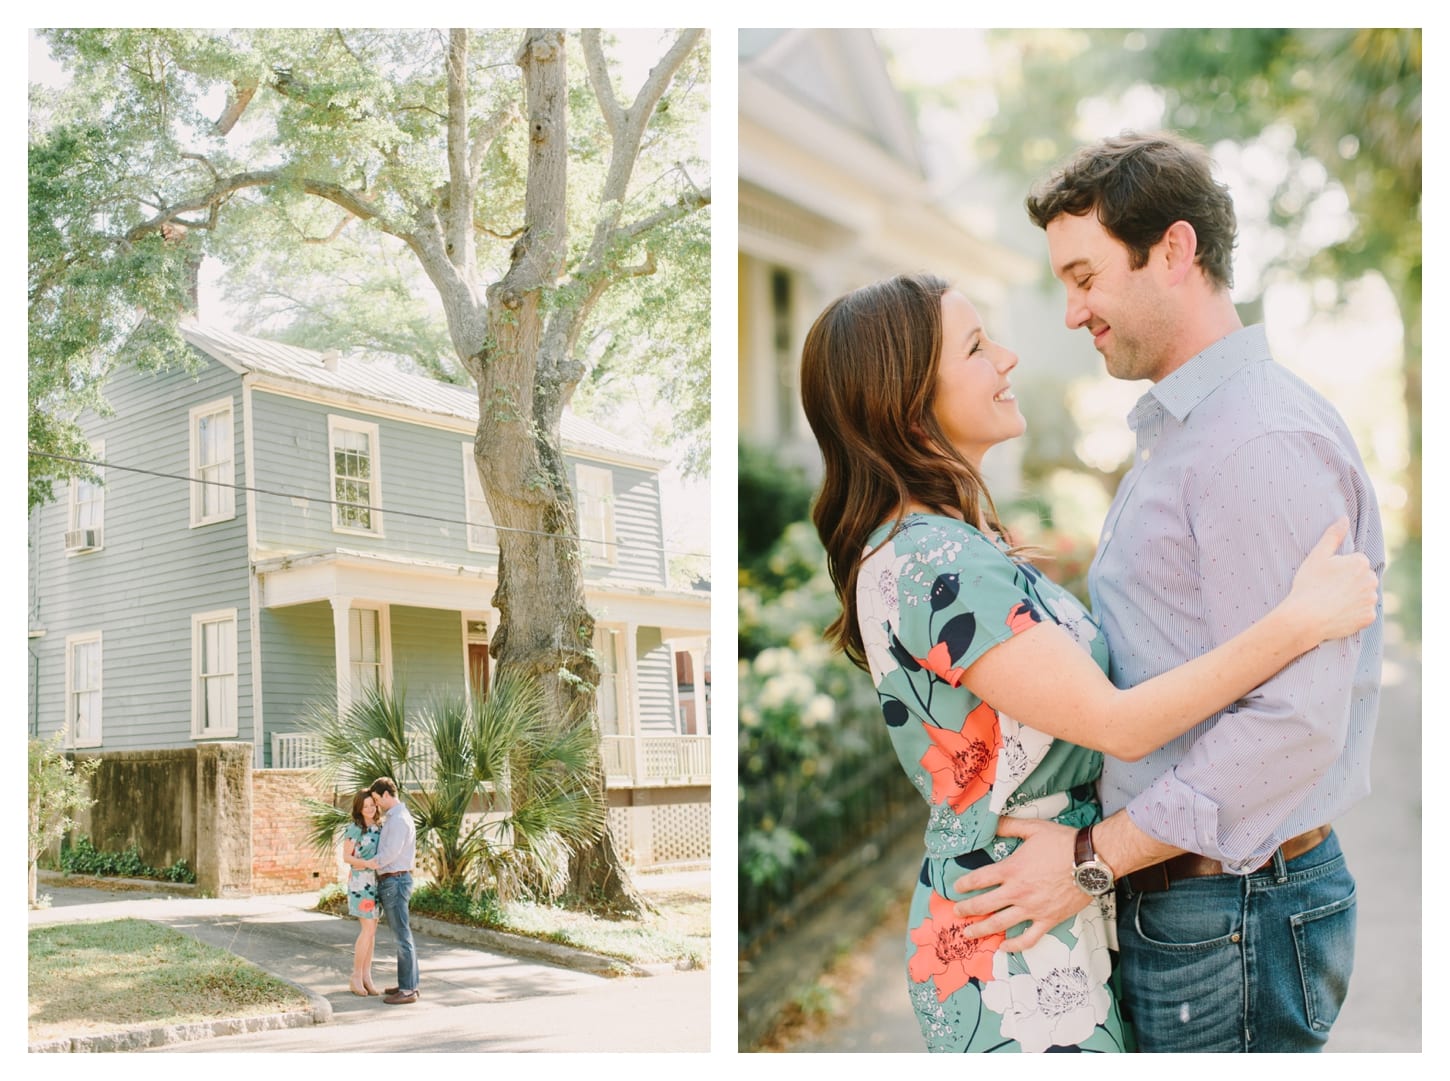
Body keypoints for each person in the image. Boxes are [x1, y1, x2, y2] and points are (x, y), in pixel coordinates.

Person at [797, 270, 1378, 1052]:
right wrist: (1297, 621)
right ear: (905, 400)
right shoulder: (934, 562)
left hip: (1041, 907)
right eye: (975, 347)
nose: (1005, 358)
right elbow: (1118, 723)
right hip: (1018, 926)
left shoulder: (948, 544)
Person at [948, 131, 1386, 1052]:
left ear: (1175, 251)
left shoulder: (1253, 443)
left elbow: (1293, 723)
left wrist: (1089, 862)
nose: (1070, 312)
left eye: (1085, 275)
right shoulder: (1186, 432)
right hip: (1201, 906)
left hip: (1230, 910)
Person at [369, 776, 420, 1005]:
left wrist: (369, 863)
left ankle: (408, 990)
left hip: (396, 880)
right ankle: (406, 983)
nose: (377, 804)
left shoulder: (399, 820)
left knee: (402, 936)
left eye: (378, 799)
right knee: (402, 935)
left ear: (387, 795)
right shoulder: (394, 817)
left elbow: (390, 853)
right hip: (393, 879)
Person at [342, 789, 383, 996]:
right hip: (360, 883)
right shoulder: (355, 828)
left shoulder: (379, 827)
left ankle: (367, 975)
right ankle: (356, 975)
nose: (369, 809)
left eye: (372, 805)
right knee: (367, 929)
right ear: (359, 808)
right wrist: (365, 863)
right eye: (365, 806)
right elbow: (346, 857)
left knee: (372, 931)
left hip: (376, 883)